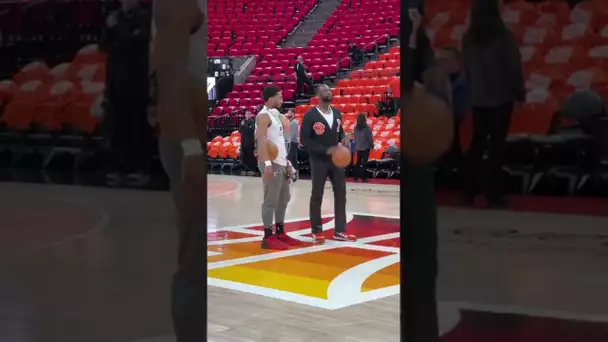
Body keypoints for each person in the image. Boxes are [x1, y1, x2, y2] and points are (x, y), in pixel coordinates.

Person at [152, 0, 207, 340]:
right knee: (196, 262)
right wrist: (190, 149)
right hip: (189, 142)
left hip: (199, 137)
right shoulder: (177, 10)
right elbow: (170, 84)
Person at [462, 0, 525, 208]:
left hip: (478, 97)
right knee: (496, 146)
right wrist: (519, 90)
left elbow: (467, 68)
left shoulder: (468, 38)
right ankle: (493, 194)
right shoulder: (502, 36)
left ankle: (468, 192)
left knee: (477, 145)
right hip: (500, 96)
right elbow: (512, 65)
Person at [100, 0, 153, 186]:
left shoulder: (145, 17)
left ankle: (140, 168)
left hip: (136, 81)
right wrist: (112, 29)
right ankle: (119, 168)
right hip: (116, 79)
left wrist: (118, 30)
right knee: (117, 127)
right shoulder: (114, 17)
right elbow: (104, 46)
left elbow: (137, 42)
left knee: (137, 127)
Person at [300, 84, 357, 242]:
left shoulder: (337, 113)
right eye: (325, 90)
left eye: (330, 90)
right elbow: (305, 140)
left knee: (341, 194)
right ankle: (316, 230)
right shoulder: (310, 115)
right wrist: (326, 150)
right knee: (317, 194)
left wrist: (344, 138)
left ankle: (340, 231)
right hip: (319, 160)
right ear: (318, 94)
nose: (329, 92)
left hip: (336, 161)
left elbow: (339, 133)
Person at [255, 86, 299, 250]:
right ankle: (267, 237)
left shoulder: (276, 117)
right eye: (279, 96)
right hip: (270, 163)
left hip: (281, 161)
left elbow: (280, 143)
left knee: (284, 197)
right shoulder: (263, 116)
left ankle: (280, 232)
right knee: (271, 199)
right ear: (270, 98)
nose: (282, 99)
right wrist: (266, 163)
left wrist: (288, 163)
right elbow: (261, 140)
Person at [436, 46, 469, 166]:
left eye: (445, 59)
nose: (441, 63)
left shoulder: (466, 82)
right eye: (439, 60)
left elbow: (461, 109)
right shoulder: (437, 82)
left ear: (457, 61)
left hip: (459, 126)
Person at [353, 113, 374, 182]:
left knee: (358, 162)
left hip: (358, 147)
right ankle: (364, 177)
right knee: (364, 163)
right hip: (365, 147)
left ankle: (355, 176)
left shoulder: (355, 128)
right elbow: (369, 138)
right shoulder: (366, 128)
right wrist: (372, 145)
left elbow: (355, 137)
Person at [238, 110, 256, 174]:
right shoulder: (243, 122)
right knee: (244, 155)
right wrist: (242, 125)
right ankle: (245, 169)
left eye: (249, 114)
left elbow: (250, 130)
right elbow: (240, 130)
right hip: (243, 140)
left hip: (250, 141)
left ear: (251, 115)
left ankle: (252, 170)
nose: (247, 115)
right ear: (245, 115)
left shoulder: (253, 121)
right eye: (246, 114)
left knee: (250, 156)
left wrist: (244, 125)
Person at [284, 109, 299, 181]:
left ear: (293, 113)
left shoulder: (294, 122)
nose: (287, 114)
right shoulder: (290, 121)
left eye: (289, 112)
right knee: (290, 158)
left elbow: (293, 134)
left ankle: (294, 173)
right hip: (290, 142)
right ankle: (292, 173)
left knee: (291, 158)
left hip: (292, 142)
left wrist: (287, 140)